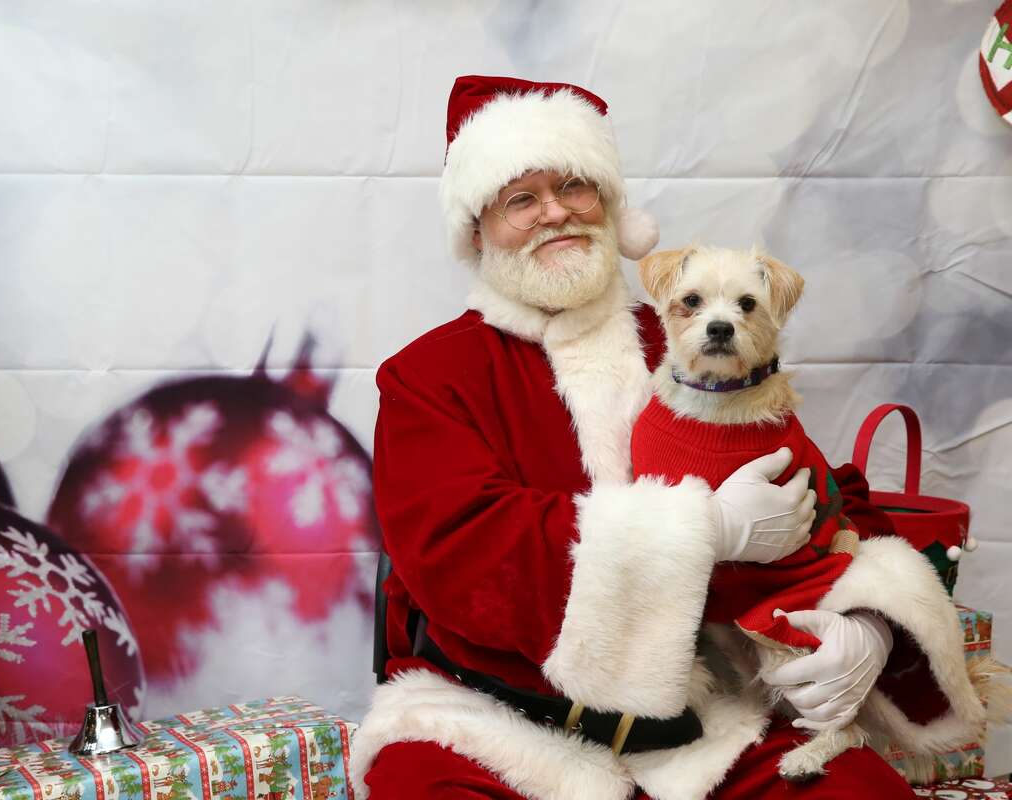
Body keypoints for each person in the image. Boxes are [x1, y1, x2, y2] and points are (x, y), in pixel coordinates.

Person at [350, 76, 985, 800]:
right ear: (477, 229)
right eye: (521, 199)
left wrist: (865, 622)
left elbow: (818, 486)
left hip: (702, 721)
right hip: (496, 722)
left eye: (575, 185)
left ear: (613, 205)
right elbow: (459, 549)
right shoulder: (431, 374)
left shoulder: (694, 337)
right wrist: (702, 528)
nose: (555, 212)